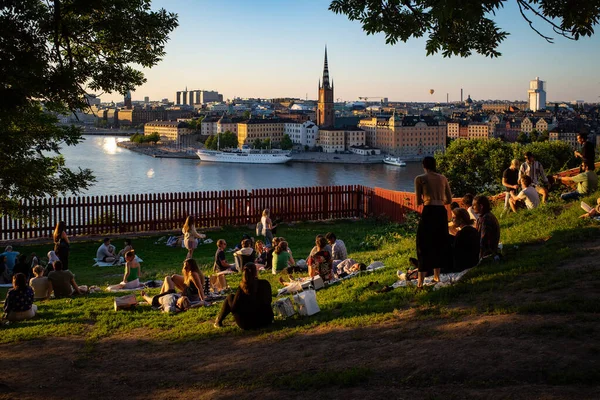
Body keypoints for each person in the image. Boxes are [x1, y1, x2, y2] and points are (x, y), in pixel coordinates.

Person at [415, 156, 453, 288]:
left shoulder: (420, 179)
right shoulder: (443, 178)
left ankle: (420, 281)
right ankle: (436, 276)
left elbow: (418, 202)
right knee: (439, 242)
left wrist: (425, 198)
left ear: (423, 165)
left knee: (423, 244)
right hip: (441, 212)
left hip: (429, 211)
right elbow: (449, 200)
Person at [214, 262, 274, 330]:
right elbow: (269, 300)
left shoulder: (242, 288)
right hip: (266, 320)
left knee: (230, 297)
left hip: (246, 323)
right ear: (256, 272)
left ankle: (218, 320)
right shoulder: (265, 283)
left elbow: (234, 307)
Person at [140, 276, 207, 313]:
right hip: (170, 292)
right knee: (167, 278)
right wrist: (192, 306)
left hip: (158, 299)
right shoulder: (187, 302)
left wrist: (178, 310)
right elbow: (203, 302)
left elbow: (168, 310)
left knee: (149, 299)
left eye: (182, 298)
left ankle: (144, 296)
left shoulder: (170, 302)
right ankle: (160, 293)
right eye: (184, 297)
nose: (183, 296)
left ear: (177, 304)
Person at [449, 208, 480, 272]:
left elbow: (455, 250)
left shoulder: (462, 233)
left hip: (463, 265)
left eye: (454, 218)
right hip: (474, 261)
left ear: (461, 220)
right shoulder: (473, 230)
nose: (452, 220)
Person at [473, 195, 500, 261]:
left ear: (481, 206)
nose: (472, 207)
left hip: (488, 253)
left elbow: (484, 239)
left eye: (474, 205)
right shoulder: (485, 216)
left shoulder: (486, 219)